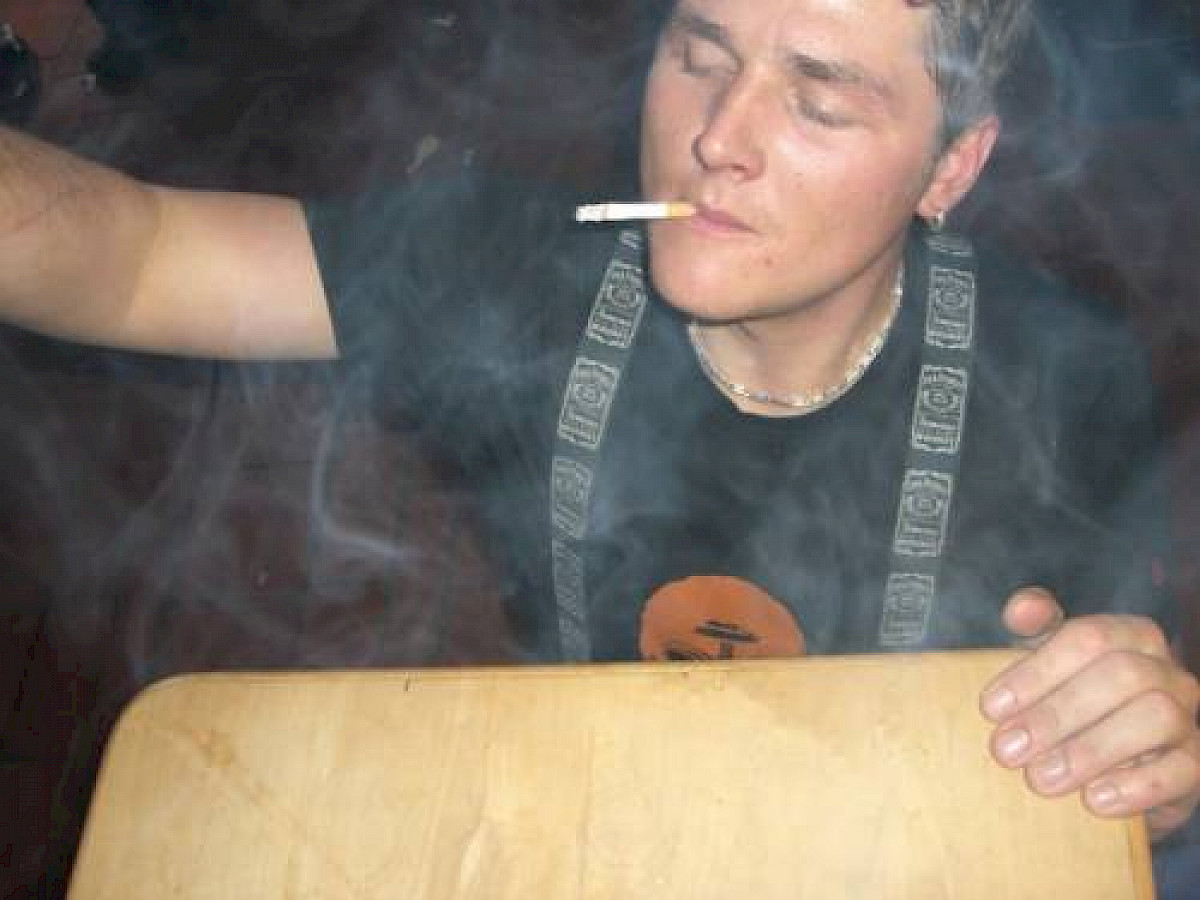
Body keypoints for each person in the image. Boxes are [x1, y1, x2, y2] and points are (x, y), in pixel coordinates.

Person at [2, 0, 1198, 849]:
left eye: (819, 103)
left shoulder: (1067, 381)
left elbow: (1124, 752)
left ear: (951, 168)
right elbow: (136, 257)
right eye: (698, 55)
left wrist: (1151, 764)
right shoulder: (509, 273)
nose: (717, 138)